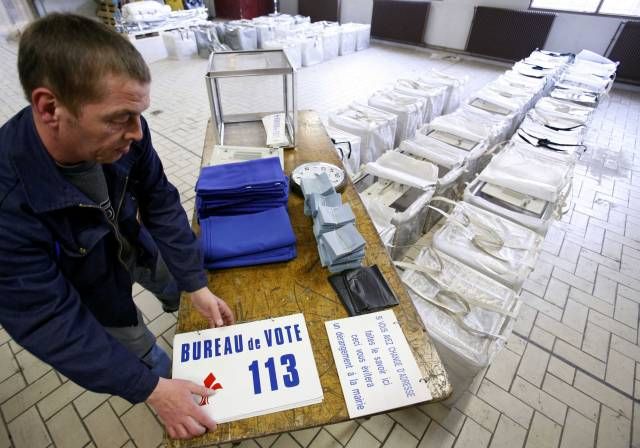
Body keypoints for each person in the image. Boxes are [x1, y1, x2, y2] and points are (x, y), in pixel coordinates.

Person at [0, 13, 235, 440]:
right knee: (148, 363)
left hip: (131, 239)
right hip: (91, 292)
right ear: (49, 108)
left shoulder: (129, 136)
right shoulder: (7, 203)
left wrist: (195, 284)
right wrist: (149, 388)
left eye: (139, 114)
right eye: (119, 118)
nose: (138, 134)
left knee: (177, 285)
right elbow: (48, 320)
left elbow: (160, 200)